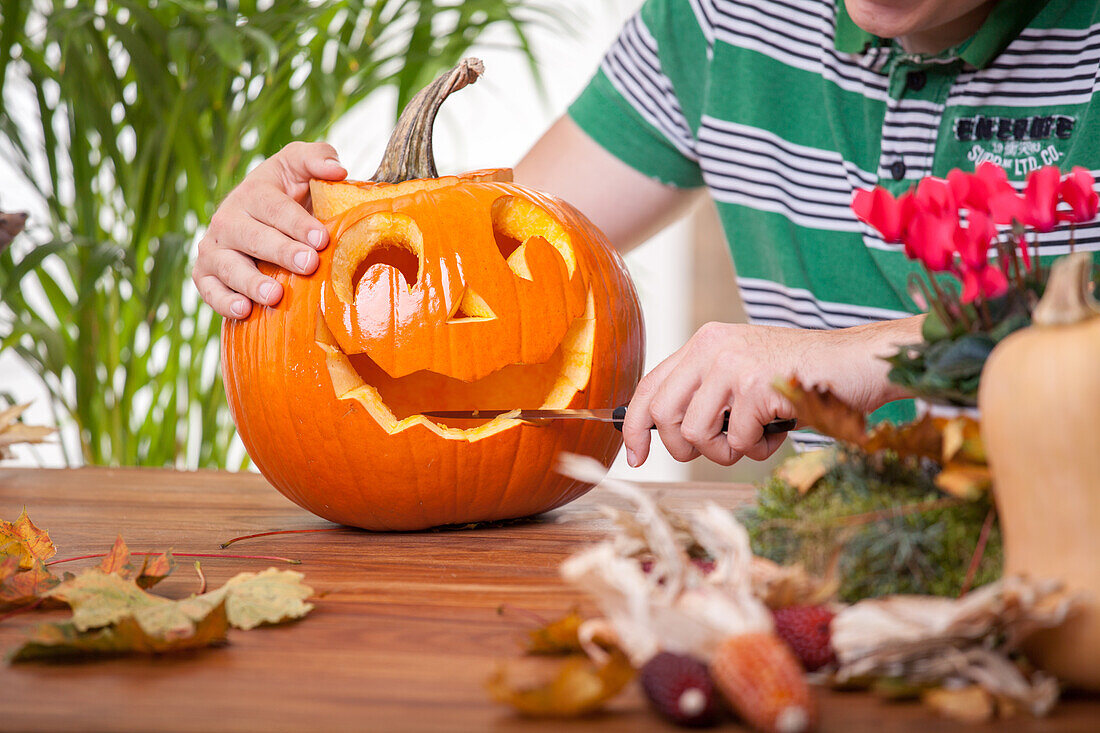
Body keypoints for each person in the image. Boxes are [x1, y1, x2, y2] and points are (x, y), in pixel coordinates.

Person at [192, 0, 1100, 469]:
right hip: (844, 570)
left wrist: (863, 357)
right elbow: (492, 253)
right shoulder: (722, 18)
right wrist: (298, 243)